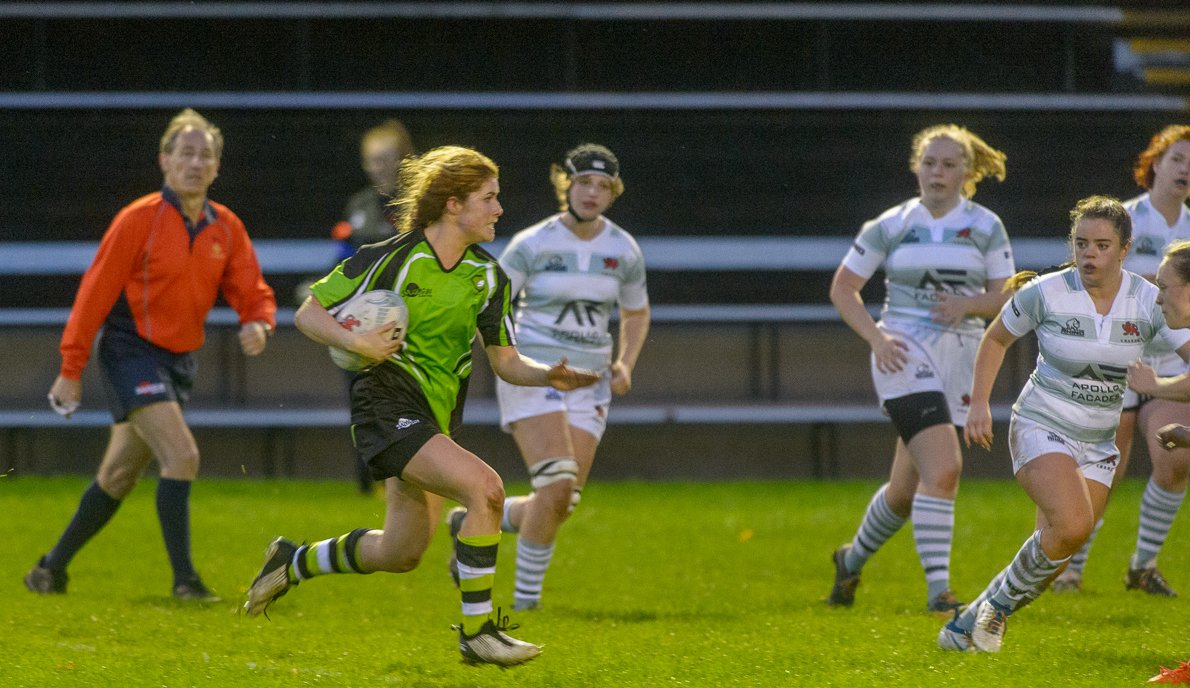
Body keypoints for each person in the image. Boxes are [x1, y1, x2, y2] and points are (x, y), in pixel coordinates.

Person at [242, 146, 599, 667]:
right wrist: (357, 341)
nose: (500, 209)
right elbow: (308, 312)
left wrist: (548, 375)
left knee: (401, 552)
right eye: (489, 198)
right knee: (487, 489)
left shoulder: (487, 277)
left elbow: (505, 361)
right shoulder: (391, 257)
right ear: (453, 205)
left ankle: (292, 561)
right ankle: (477, 635)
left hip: (435, 419)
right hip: (385, 407)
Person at [24, 108, 277, 602]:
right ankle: (186, 582)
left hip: (179, 362)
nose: (196, 162)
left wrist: (259, 322)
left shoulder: (225, 227)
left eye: (207, 155)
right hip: (130, 351)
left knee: (118, 475)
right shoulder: (137, 219)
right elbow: (93, 294)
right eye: (186, 152)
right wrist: (70, 369)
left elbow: (252, 288)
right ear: (165, 161)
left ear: (217, 168)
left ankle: (49, 570)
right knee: (182, 455)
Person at [939, 196, 1190, 653]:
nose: (1089, 254)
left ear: (1124, 249)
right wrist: (978, 403)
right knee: (1073, 526)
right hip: (1041, 423)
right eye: (1081, 244)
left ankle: (971, 621)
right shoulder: (1047, 291)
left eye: (1101, 245)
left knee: (1055, 551)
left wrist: (1163, 384)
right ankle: (991, 612)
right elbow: (996, 338)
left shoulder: (1148, 300)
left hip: (1098, 442)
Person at [449, 143, 649, 612]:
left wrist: (625, 362)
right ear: (566, 185)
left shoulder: (623, 249)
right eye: (583, 183)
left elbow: (636, 312)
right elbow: (490, 306)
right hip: (536, 376)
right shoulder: (533, 244)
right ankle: (526, 604)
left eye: (603, 186)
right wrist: (507, 361)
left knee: (561, 501)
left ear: (613, 193)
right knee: (557, 485)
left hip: (590, 381)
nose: (592, 193)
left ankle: (467, 525)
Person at [827, 124, 1012, 614]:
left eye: (949, 164)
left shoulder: (986, 225)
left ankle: (850, 561)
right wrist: (877, 336)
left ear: (968, 173)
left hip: (961, 360)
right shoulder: (889, 224)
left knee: (906, 492)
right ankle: (939, 592)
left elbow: (1007, 296)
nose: (937, 172)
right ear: (916, 166)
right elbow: (843, 289)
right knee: (946, 467)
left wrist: (970, 303)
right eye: (930, 162)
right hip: (903, 354)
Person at [1053, 125, 1190, 596]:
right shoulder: (1123, 221)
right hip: (1117, 353)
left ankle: (1142, 567)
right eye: (1178, 158)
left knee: (1178, 458)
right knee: (1102, 465)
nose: (1185, 168)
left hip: (1172, 357)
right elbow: (1084, 275)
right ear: (1155, 163)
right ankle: (1071, 568)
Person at [330, 118, 416, 495]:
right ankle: (367, 476)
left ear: (403, 160)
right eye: (372, 161)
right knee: (361, 396)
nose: (379, 168)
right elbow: (343, 258)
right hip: (361, 319)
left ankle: (406, 471)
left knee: (403, 396)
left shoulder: (418, 202)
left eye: (387, 160)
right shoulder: (360, 205)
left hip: (408, 318)